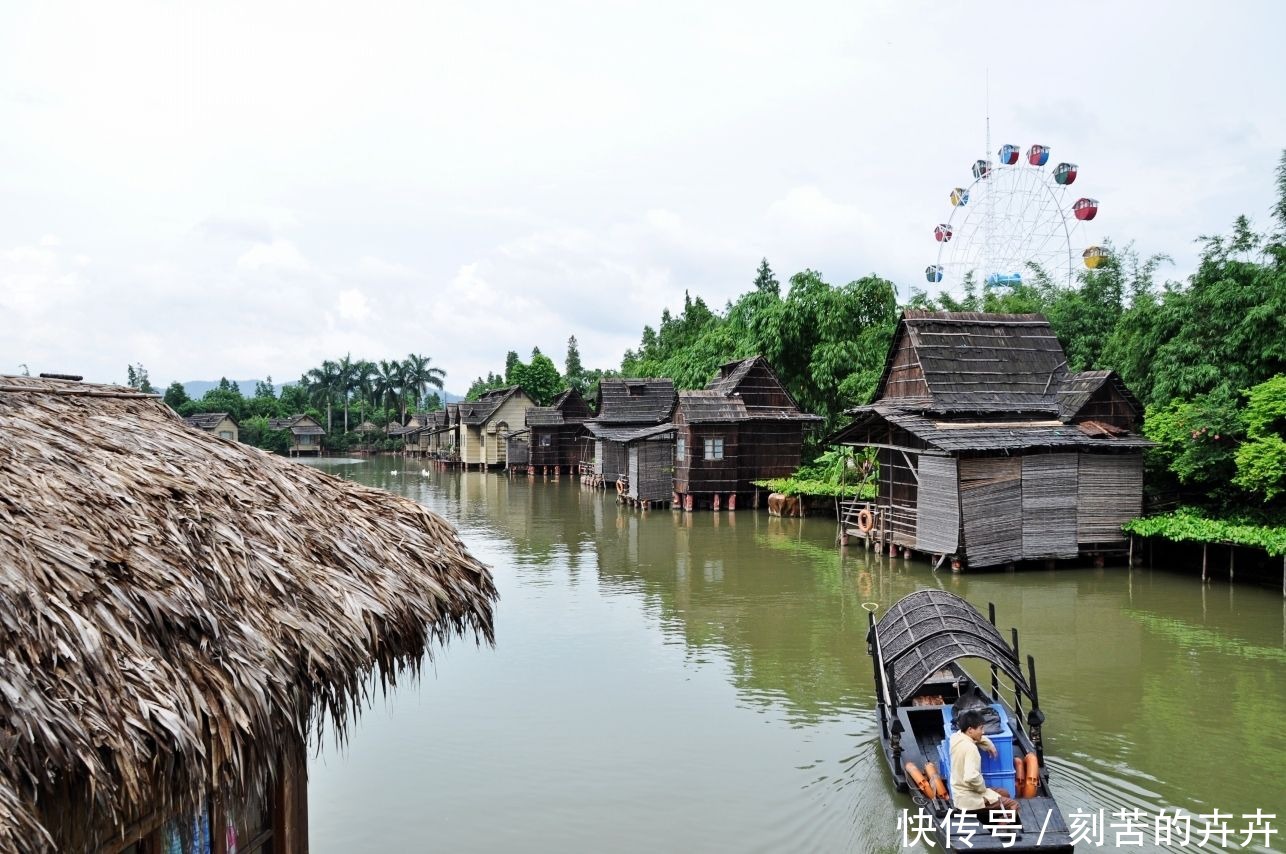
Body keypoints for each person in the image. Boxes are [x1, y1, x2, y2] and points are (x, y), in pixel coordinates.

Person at [949, 708, 1019, 826]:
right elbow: (971, 777)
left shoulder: (956, 738)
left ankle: (991, 814)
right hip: (970, 799)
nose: (983, 732)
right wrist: (983, 791)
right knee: (1014, 805)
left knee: (1004, 793)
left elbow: (974, 737)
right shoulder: (971, 749)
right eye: (981, 728)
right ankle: (1001, 829)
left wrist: (988, 744)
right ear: (970, 730)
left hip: (959, 795)